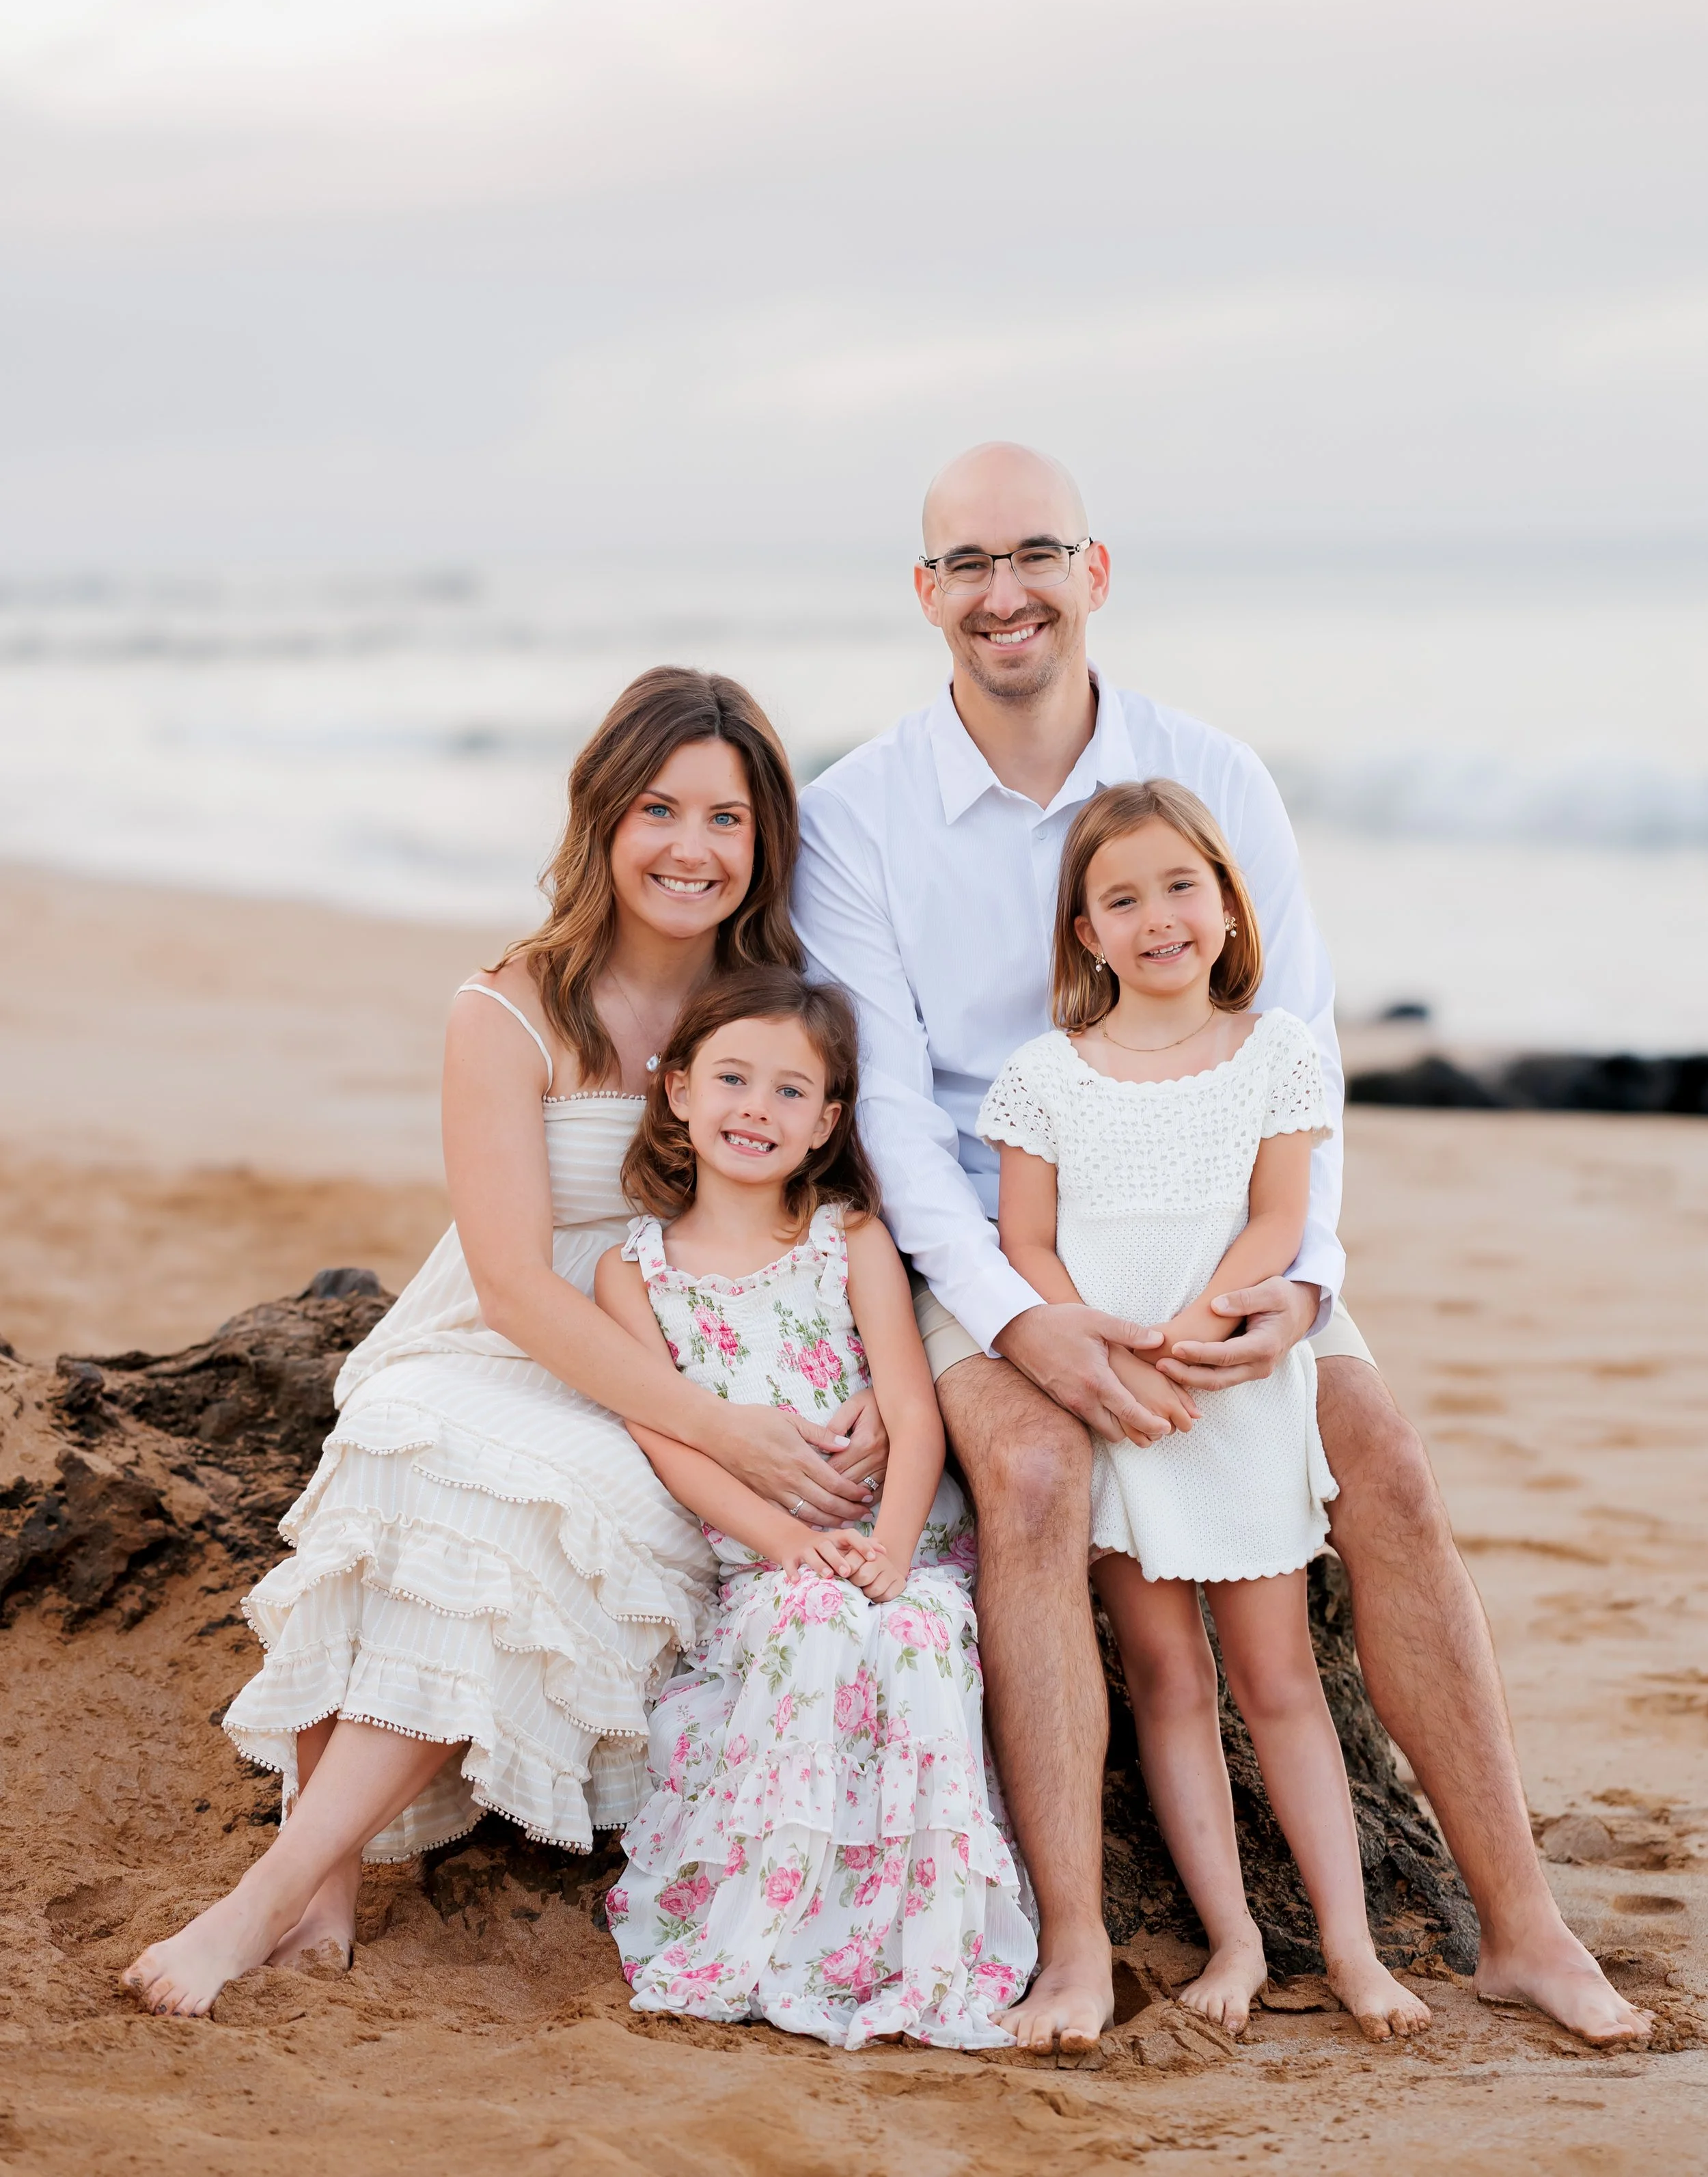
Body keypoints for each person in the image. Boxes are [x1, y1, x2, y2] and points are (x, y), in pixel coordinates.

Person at [793, 440, 1650, 2053]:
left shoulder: (1215, 778)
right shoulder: (856, 814)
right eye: (967, 566)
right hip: (996, 1248)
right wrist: (1014, 1316)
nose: (1004, 593)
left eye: (1033, 554)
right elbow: (892, 1117)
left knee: (1382, 1458)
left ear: (1092, 571)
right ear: (925, 596)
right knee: (1035, 1484)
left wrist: (1294, 1286)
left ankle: (1521, 1929)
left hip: (1219, 1234)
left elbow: (1298, 1053)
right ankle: (1064, 1947)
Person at [124, 667, 887, 2020]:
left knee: (520, 1513)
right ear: (603, 816)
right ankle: (319, 1885)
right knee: (405, 1447)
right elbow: (515, 1285)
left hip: (674, 1365)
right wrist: (721, 1433)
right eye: (658, 808)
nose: (690, 848)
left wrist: (815, 1401)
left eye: (725, 818)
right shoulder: (509, 1005)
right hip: (502, 1337)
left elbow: (841, 1213)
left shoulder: (774, 1010)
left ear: (763, 840)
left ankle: (265, 1898)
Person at [983, 778, 1429, 2040]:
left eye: (1181, 887)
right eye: (1120, 898)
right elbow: (1023, 1241)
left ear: (1229, 908)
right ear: (1086, 932)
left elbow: (1286, 1217)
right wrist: (1116, 1359)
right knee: (1169, 1676)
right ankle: (1233, 1939)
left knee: (1276, 1672)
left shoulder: (1276, 1050)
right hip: (1122, 1406)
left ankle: (1350, 1951)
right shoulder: (1045, 1076)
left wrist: (1201, 1330)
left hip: (1232, 1391)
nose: (1157, 916)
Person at [596, 966, 1036, 2048]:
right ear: (678, 1091)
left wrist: (890, 1549)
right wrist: (791, 1542)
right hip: (769, 1561)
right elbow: (669, 1439)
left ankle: (916, 1944)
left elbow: (912, 1408)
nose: (758, 1107)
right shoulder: (633, 1272)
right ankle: (774, 1925)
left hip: (909, 1545)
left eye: (792, 1091)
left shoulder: (850, 1237)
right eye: (733, 1078)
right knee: (815, 1623)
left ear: (828, 1120)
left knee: (926, 1633)